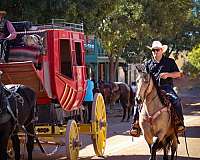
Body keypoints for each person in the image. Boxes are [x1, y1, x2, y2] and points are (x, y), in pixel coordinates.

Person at [130, 40, 185, 137]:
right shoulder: (148, 63)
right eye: (153, 50)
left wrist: (168, 74)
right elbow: (144, 77)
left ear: (162, 50)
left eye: (157, 50)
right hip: (150, 89)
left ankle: (179, 123)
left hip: (166, 87)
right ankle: (136, 124)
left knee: (176, 100)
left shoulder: (169, 62)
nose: (155, 52)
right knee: (138, 101)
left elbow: (179, 74)